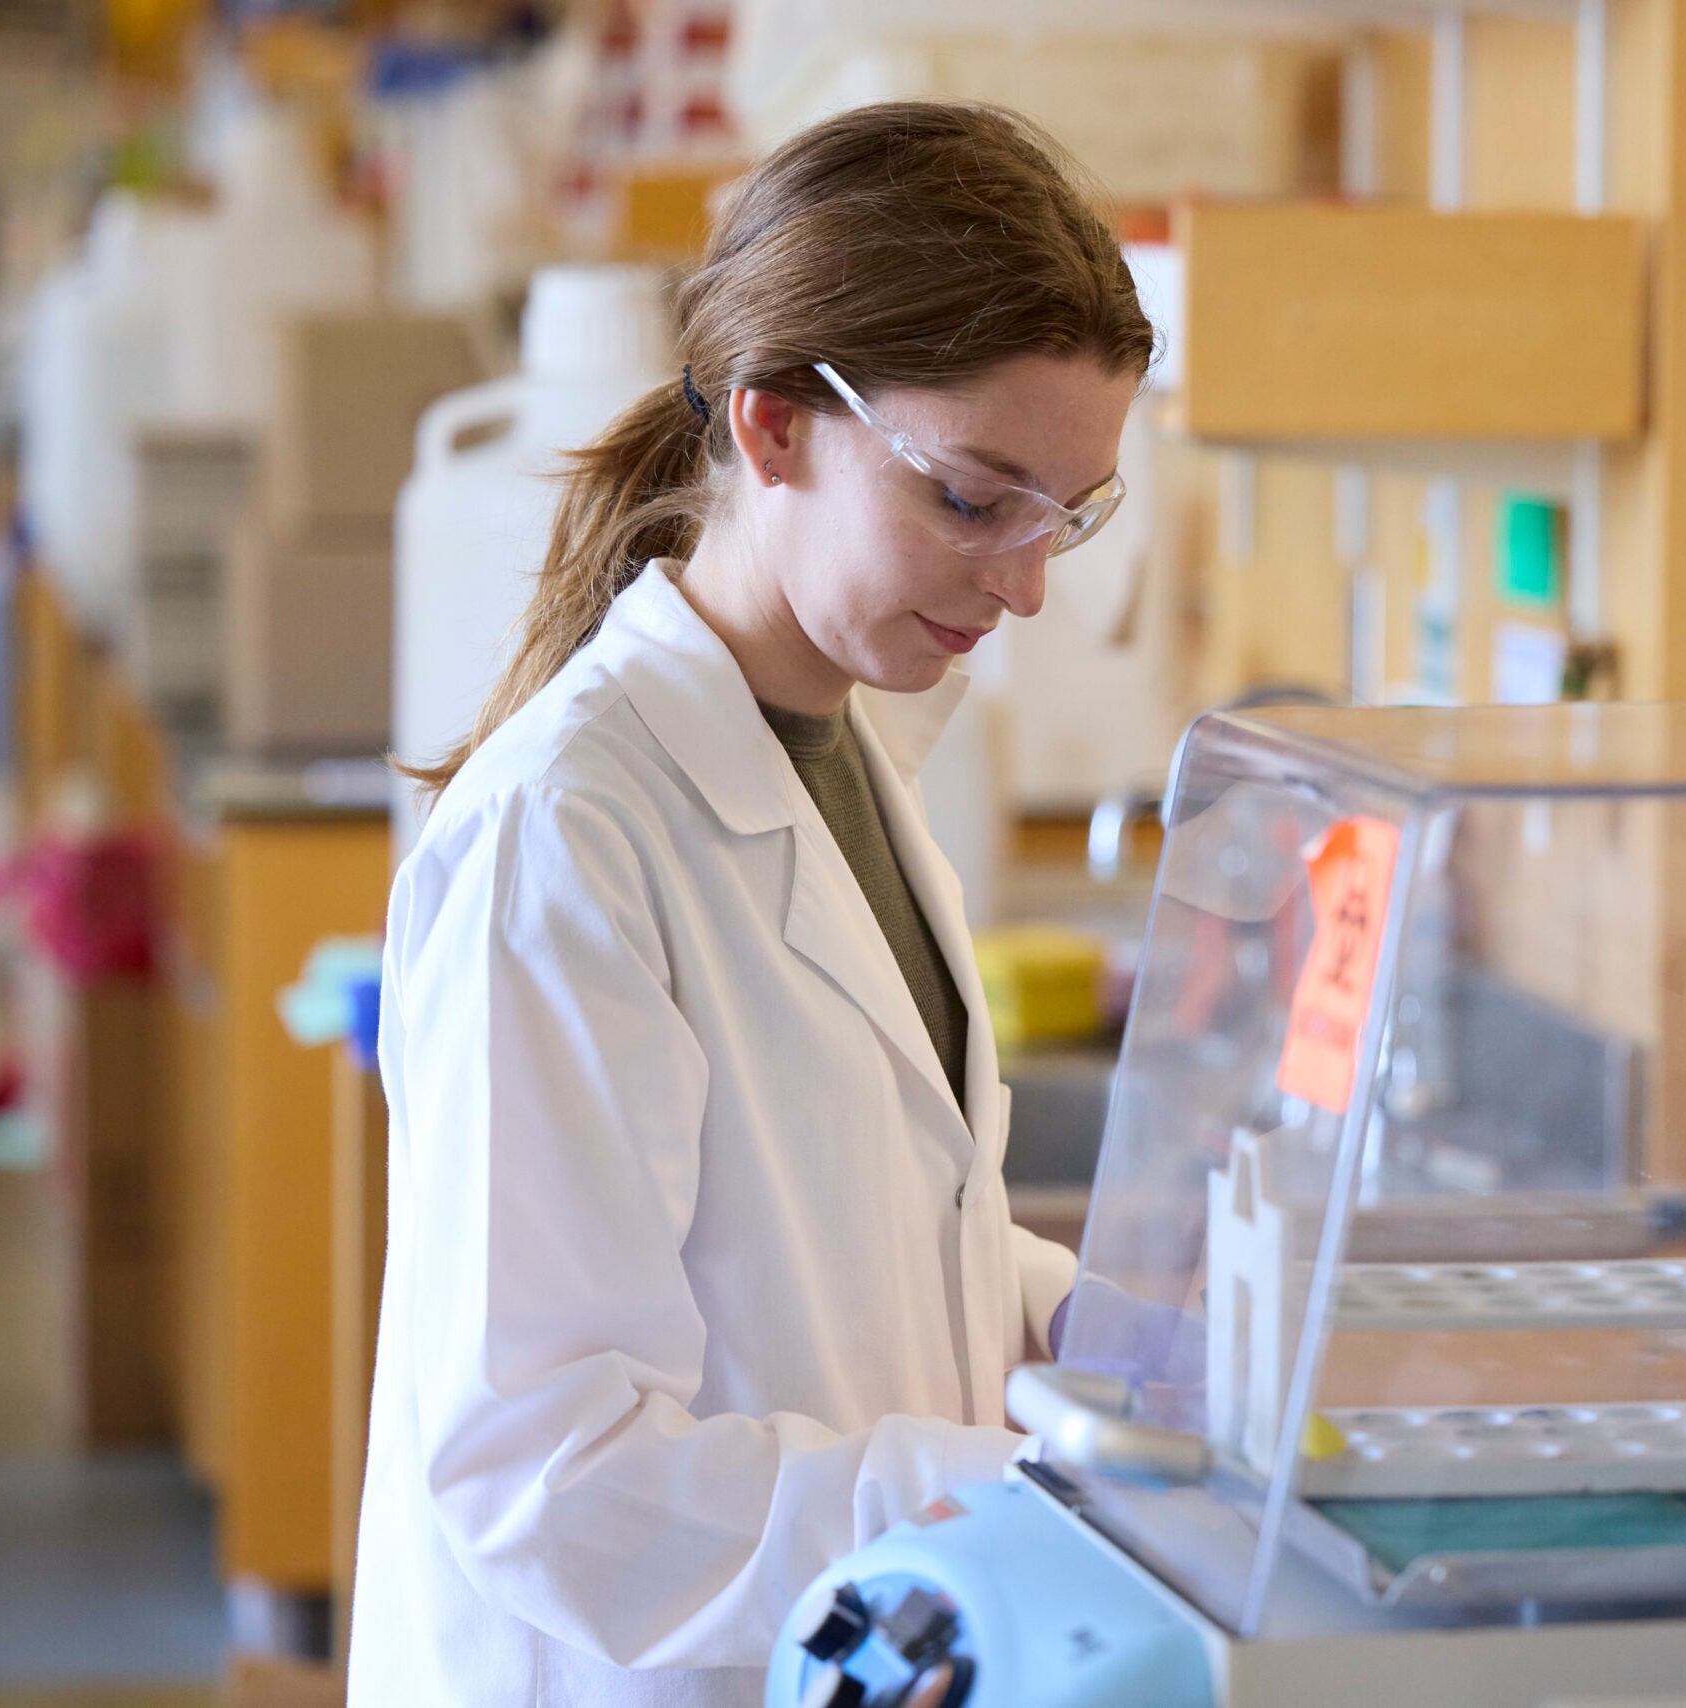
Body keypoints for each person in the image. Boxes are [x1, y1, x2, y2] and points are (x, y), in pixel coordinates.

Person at [351, 102, 1152, 1704]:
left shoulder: (843, 749)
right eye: (974, 499)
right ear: (776, 424)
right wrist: (1019, 1487)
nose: (1027, 581)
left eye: (1069, 513)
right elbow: (547, 1475)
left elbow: (849, 1234)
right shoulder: (571, 833)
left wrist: (1115, 1340)